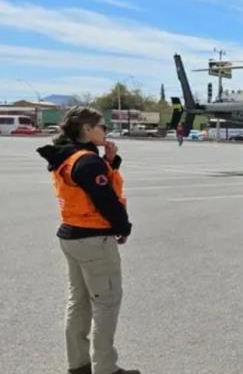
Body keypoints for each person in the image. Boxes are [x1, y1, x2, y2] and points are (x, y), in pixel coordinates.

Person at [36, 107, 140, 374]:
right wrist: (123, 227)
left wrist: (111, 162)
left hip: (72, 234)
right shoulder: (87, 161)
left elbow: (96, 186)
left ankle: (78, 364)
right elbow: (106, 200)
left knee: (79, 301)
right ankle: (105, 368)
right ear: (86, 129)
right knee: (106, 302)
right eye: (102, 126)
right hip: (93, 239)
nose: (105, 131)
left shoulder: (68, 157)